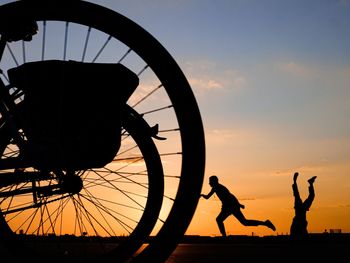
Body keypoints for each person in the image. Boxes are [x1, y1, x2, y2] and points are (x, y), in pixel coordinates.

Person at [200, 175, 276, 237]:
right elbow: (207, 197)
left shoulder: (221, 188)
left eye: (210, 181)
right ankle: (266, 223)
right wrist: (201, 195)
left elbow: (230, 196)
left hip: (230, 207)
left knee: (219, 220)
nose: (209, 183)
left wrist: (238, 204)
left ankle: (224, 236)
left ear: (214, 181)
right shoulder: (214, 188)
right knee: (244, 222)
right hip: (229, 207)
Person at [290, 172, 317, 240]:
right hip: (300, 218)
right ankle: (310, 183)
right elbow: (296, 194)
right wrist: (294, 181)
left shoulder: (298, 225)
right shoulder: (298, 225)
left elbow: (296, 194)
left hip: (301, 215)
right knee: (306, 196)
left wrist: (294, 181)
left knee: (306, 196)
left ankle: (310, 183)